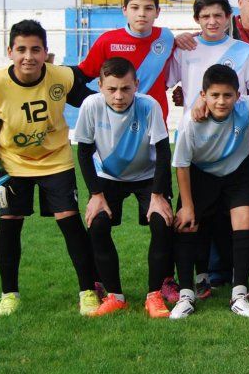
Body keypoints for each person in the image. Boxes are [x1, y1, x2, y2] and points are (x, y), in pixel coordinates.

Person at [0, 19, 99, 316]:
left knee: (70, 222)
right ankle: (9, 295)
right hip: (13, 163)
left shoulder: (62, 77)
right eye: (22, 49)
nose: (28, 56)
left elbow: (92, 102)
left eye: (35, 49)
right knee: (9, 222)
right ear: (10, 52)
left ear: (45, 52)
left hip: (56, 159)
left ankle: (88, 291)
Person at [167, 0, 249, 297]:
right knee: (198, 218)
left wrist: (235, 107)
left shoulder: (243, 51)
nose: (212, 22)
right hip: (196, 143)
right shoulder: (184, 48)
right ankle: (197, 279)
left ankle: (234, 280)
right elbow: (167, 83)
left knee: (233, 218)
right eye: (205, 16)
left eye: (218, 16)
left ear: (228, 18)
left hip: (233, 144)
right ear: (196, 19)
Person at [74, 57, 174, 317]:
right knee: (97, 225)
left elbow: (163, 152)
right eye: (112, 89)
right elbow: (84, 153)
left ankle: (154, 295)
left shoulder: (148, 105)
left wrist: (158, 195)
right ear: (100, 85)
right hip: (108, 177)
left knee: (162, 223)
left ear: (136, 85)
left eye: (126, 89)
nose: (119, 96)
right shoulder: (91, 106)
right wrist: (96, 195)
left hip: (147, 176)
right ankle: (115, 296)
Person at [170, 64, 249, 318]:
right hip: (201, 174)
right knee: (187, 223)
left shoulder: (247, 107)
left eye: (228, 95)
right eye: (214, 95)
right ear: (202, 96)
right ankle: (186, 294)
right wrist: (188, 205)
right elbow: (181, 165)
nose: (221, 101)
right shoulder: (191, 122)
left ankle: (239, 293)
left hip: (239, 172)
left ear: (238, 95)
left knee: (245, 221)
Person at [76, 0, 176, 121]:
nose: (141, 14)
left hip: (154, 124)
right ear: (124, 10)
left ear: (157, 12)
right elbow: (81, 76)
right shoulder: (107, 41)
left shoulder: (166, 37)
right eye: (135, 7)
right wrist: (101, 102)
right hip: (116, 125)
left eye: (148, 8)